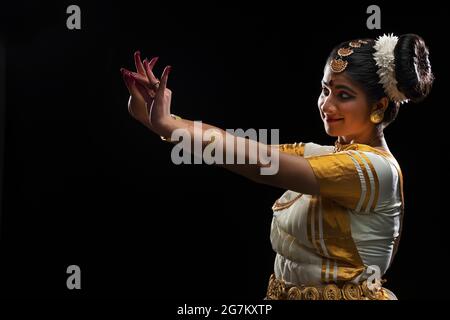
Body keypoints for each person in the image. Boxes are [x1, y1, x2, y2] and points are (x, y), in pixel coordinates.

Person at [120, 33, 434, 300]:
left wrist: (170, 127)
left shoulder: (373, 170)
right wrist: (163, 121)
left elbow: (260, 164)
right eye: (325, 90)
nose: (327, 104)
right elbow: (240, 145)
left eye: (343, 95)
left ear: (378, 107)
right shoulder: (323, 154)